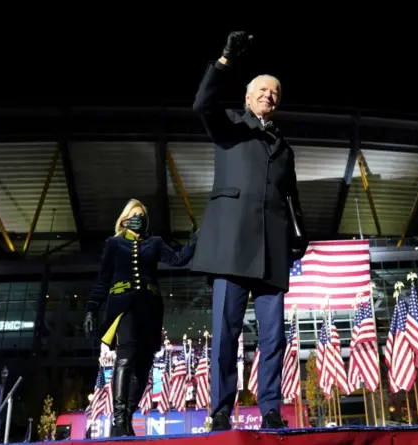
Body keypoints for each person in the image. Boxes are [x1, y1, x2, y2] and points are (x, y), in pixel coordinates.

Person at [190, 31, 308, 431]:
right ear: (246, 97)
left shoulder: (285, 147)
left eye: (274, 92)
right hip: (232, 248)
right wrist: (225, 59)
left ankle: (271, 407)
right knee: (226, 335)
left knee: (274, 338)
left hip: (273, 251)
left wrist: (300, 235)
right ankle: (221, 408)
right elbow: (202, 104)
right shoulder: (230, 128)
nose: (268, 95)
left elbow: (291, 196)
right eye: (261, 89)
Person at [83, 198, 198, 437]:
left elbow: (177, 259)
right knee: (126, 356)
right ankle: (119, 420)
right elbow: (104, 278)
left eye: (142, 215)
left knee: (145, 364)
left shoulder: (154, 242)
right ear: (125, 219)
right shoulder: (114, 244)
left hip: (149, 308)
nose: (139, 218)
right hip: (123, 307)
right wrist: (92, 308)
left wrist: (193, 243)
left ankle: (129, 413)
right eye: (135, 214)